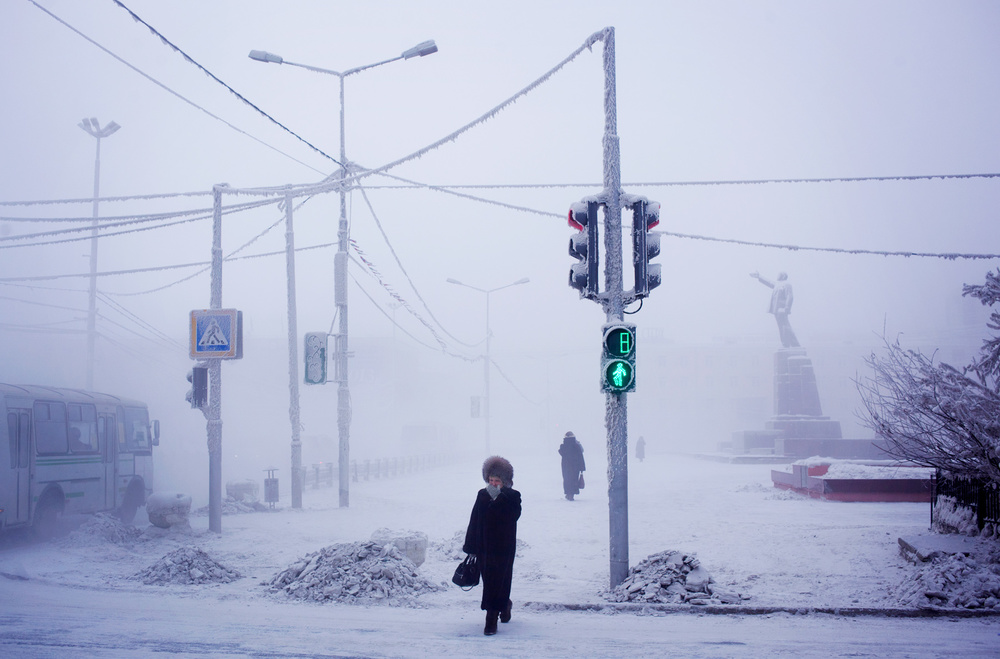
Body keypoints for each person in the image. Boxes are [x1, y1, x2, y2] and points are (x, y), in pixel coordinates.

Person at [463, 455, 521, 636]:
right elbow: (474, 520)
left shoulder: (512, 496)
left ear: (505, 481)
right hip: (484, 547)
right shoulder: (482, 495)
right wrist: (470, 546)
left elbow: (513, 516)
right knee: (490, 581)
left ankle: (491, 618)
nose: (493, 484)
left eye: (497, 480)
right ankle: (501, 607)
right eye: (491, 480)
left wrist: (499, 498)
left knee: (501, 579)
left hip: (504, 547)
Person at [750, 271, 800, 348]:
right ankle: (786, 344)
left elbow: (790, 296)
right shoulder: (777, 284)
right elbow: (769, 282)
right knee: (782, 327)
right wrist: (759, 276)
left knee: (785, 326)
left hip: (782, 309)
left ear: (783, 276)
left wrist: (787, 307)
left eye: (779, 274)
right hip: (776, 310)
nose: (777, 275)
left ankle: (794, 344)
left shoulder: (787, 284)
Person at [558, 431, 586, 501]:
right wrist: (582, 468)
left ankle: (568, 493)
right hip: (575, 466)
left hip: (566, 466)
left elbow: (560, 451)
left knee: (567, 479)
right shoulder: (576, 446)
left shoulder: (563, 446)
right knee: (574, 480)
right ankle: (571, 495)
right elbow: (581, 456)